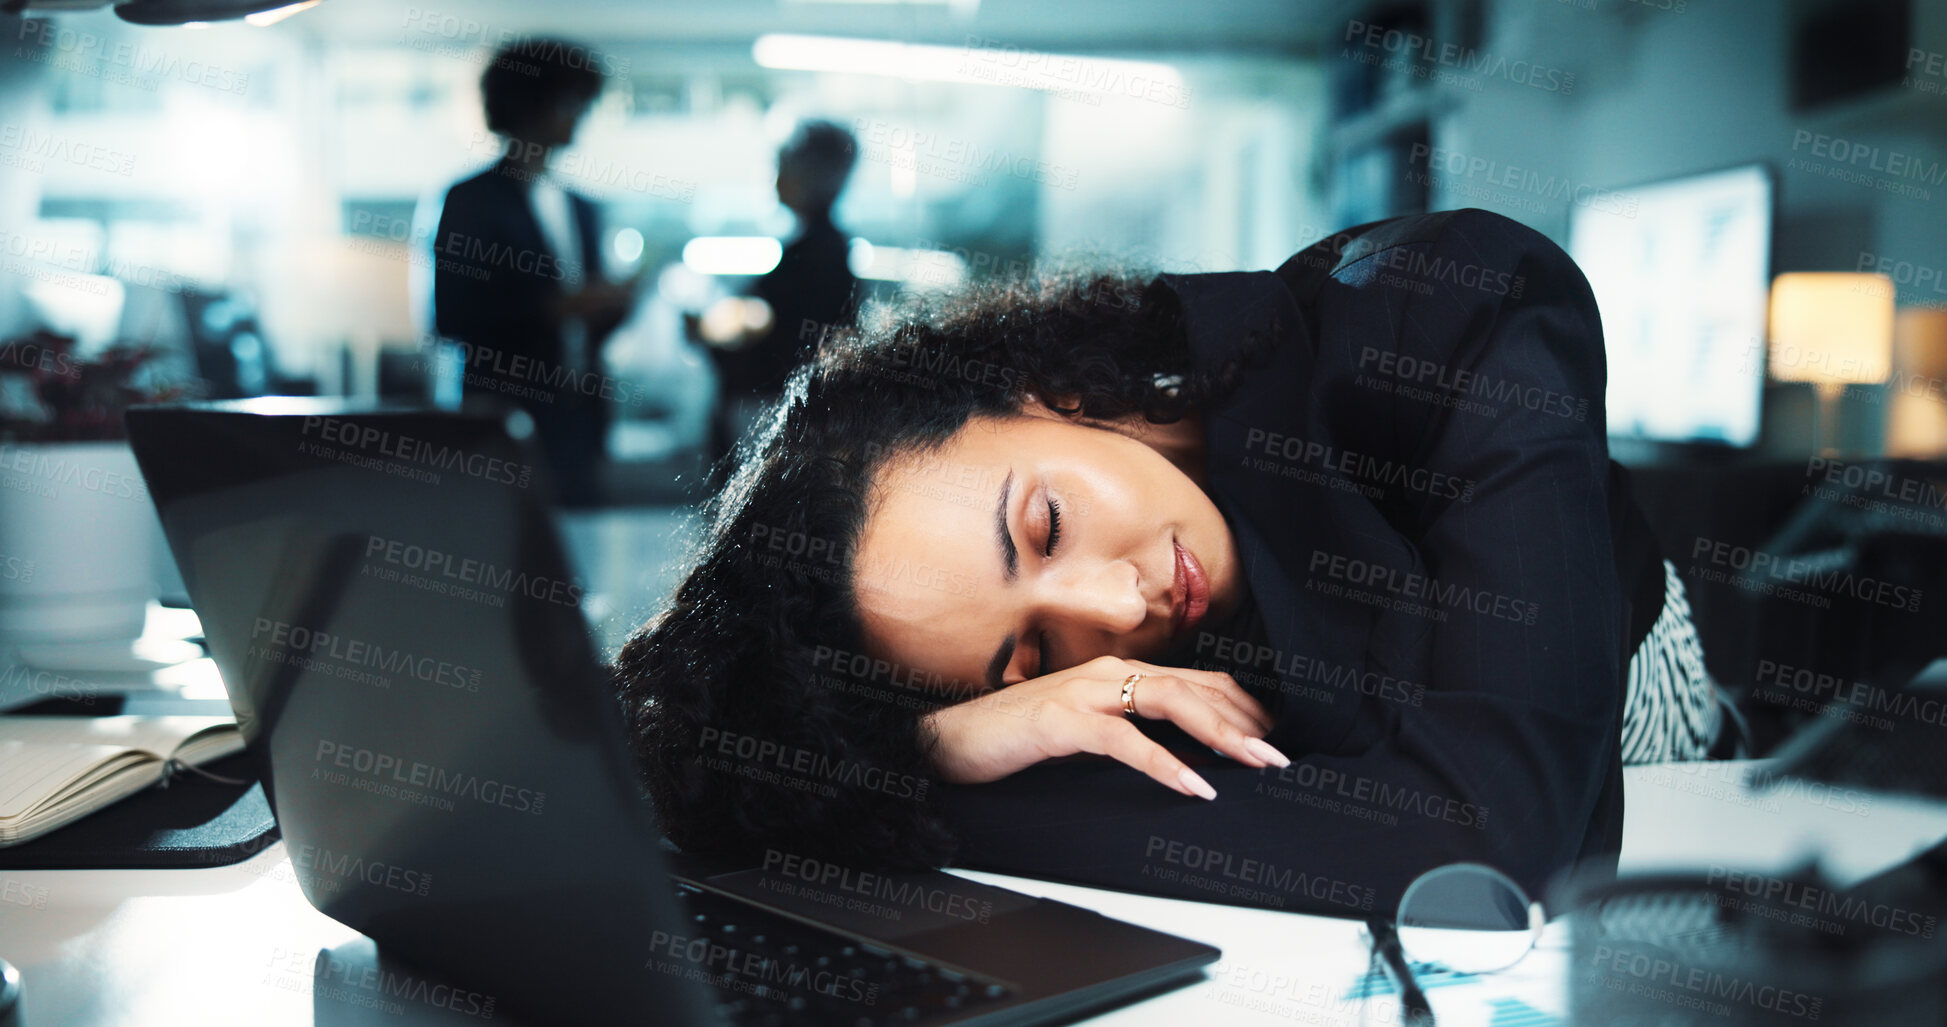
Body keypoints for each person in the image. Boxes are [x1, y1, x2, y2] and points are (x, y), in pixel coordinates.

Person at [614, 209, 1734, 916]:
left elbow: (1487, 853)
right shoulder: (1111, 625)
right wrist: (927, 739)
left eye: (1043, 526)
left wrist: (893, 783)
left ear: (1048, 394)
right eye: (1030, 657)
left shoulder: (1455, 311)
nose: (1117, 607)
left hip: (1688, 801)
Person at [429, 38, 635, 506]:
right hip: (505, 416)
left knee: (580, 556)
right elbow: (451, 315)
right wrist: (556, 309)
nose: (580, 115)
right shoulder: (470, 200)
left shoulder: (582, 207)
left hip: (578, 416)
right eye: (570, 101)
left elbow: (593, 327)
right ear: (529, 104)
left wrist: (618, 303)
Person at [704, 120, 862, 474]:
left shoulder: (815, 254)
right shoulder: (819, 249)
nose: (776, 180)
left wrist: (714, 328)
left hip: (774, 409)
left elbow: (772, 331)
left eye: (784, 169)